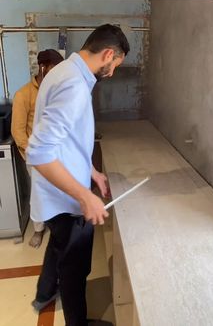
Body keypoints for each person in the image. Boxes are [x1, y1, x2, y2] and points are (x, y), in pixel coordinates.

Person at [26, 24, 130, 326]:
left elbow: (68, 140)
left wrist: (92, 171)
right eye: (114, 67)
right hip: (65, 197)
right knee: (75, 268)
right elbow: (40, 152)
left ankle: (44, 294)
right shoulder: (73, 83)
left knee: (61, 248)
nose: (111, 73)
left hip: (59, 193)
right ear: (108, 54)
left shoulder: (65, 71)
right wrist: (85, 196)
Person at [11, 49, 64, 247]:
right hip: (35, 157)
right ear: (42, 67)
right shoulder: (23, 95)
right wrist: (33, 155)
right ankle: (39, 230)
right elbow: (18, 131)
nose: (57, 74)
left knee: (58, 191)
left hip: (56, 153)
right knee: (39, 193)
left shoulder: (56, 90)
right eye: (54, 70)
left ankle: (58, 226)